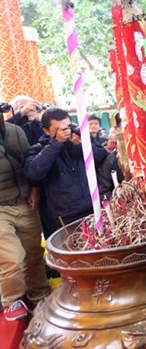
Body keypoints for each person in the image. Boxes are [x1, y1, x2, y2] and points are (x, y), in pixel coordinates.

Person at [23, 108, 109, 230]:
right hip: (64, 218)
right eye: (58, 129)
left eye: (68, 127)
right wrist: (56, 143)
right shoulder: (39, 149)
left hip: (94, 209)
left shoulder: (79, 140)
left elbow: (104, 158)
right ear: (46, 131)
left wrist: (83, 145)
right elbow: (33, 173)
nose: (66, 132)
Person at [0, 114, 50, 321]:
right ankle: (11, 300)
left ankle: (39, 294)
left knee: (33, 254)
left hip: (25, 201)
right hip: (1, 209)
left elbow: (30, 164)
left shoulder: (15, 131)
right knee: (12, 257)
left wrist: (35, 189)